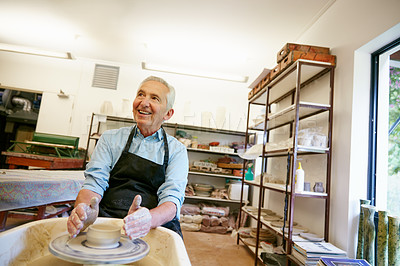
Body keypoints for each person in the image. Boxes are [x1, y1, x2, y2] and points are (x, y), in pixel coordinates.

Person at [67, 76, 188, 239]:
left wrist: (147, 220)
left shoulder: (177, 151)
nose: (144, 102)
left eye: (154, 98)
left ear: (168, 114)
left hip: (153, 224)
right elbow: (94, 182)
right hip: (107, 218)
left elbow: (172, 202)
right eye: (141, 94)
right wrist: (85, 210)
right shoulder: (109, 139)